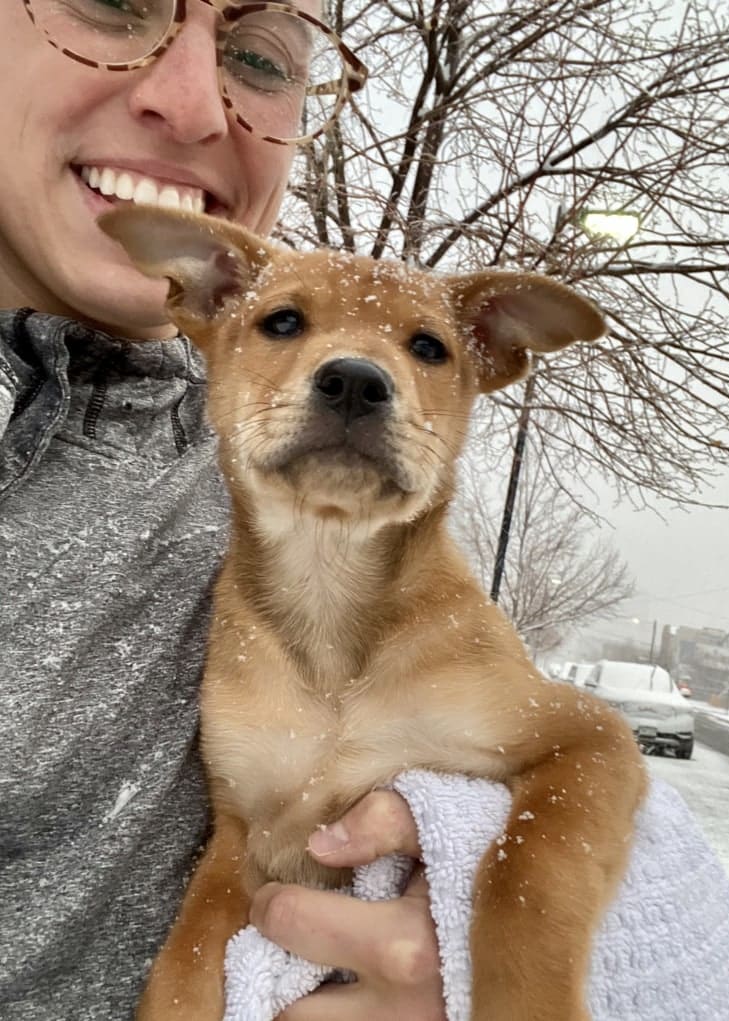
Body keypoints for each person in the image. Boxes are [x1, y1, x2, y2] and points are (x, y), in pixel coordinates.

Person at [0, 2, 445, 1018]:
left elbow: (527, 764)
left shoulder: (304, 493)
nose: (196, 102)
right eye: (112, 5)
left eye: (261, 56)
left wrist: (468, 925)